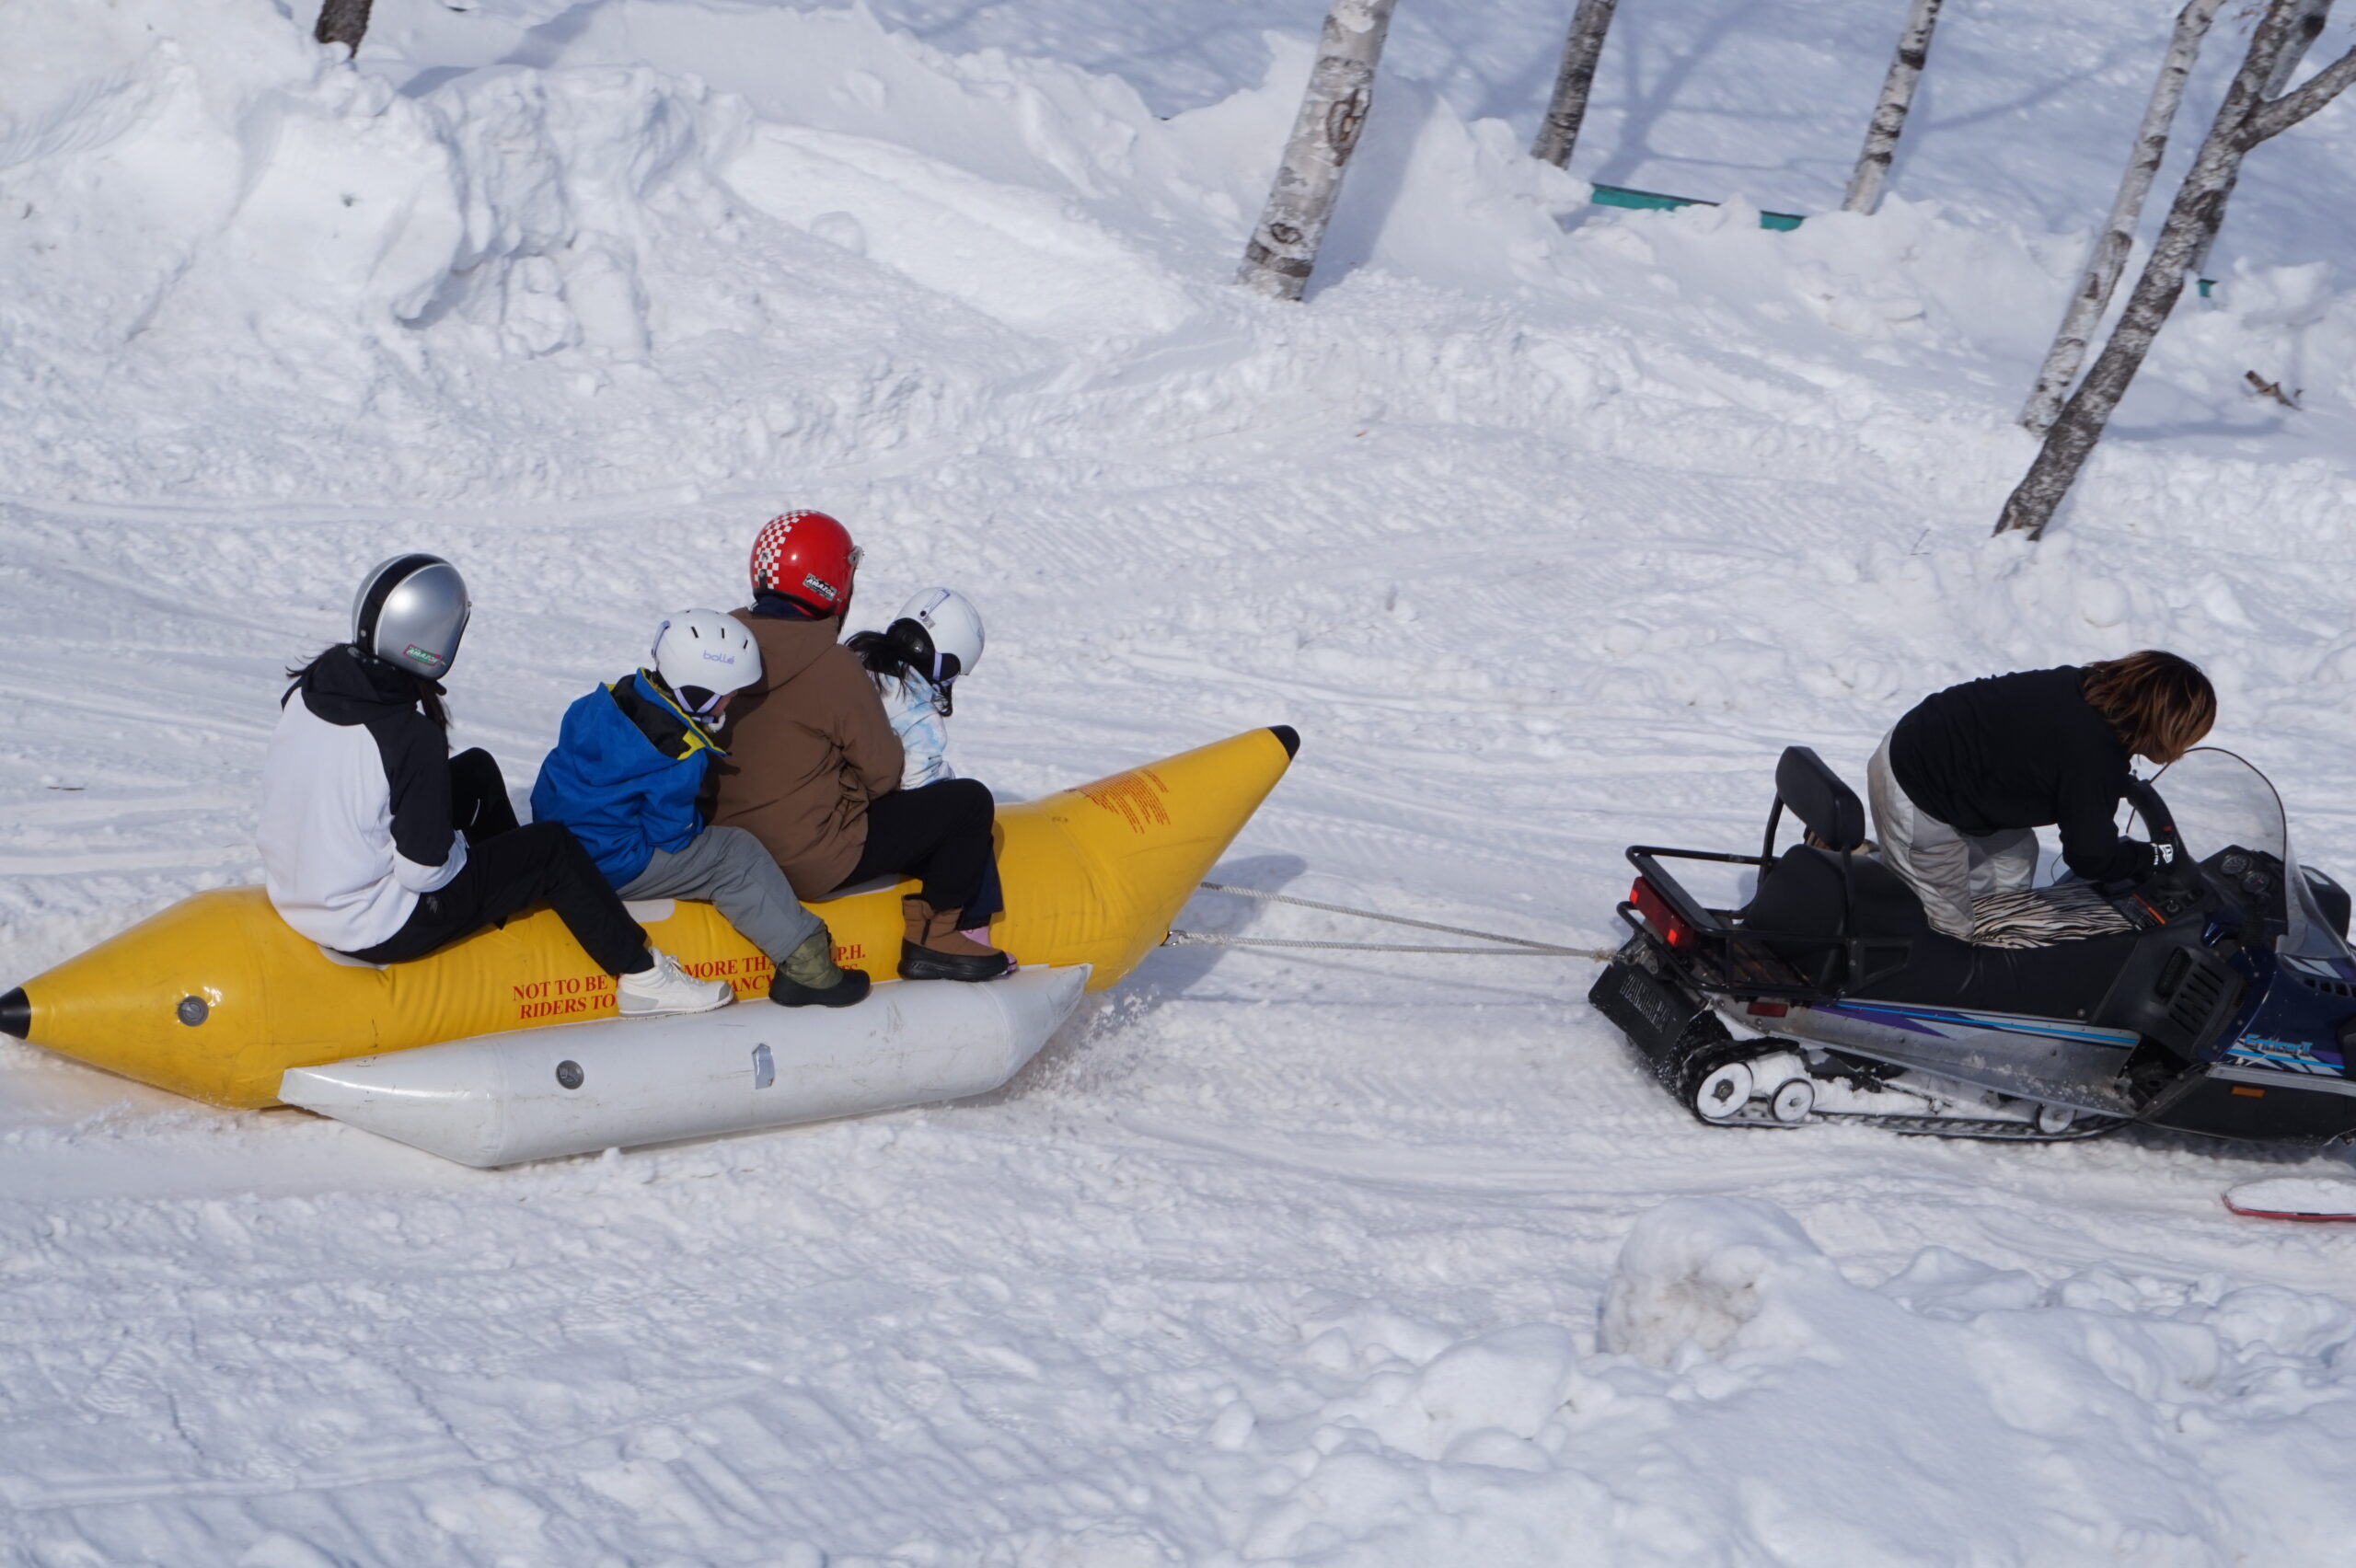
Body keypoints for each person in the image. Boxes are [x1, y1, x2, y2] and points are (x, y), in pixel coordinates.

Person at [256, 554, 733, 1017]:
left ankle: (525, 899)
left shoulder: (314, 687)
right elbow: (423, 873)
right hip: (375, 923)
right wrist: (461, 848)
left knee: (478, 770)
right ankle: (645, 979)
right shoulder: (409, 736)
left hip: (304, 893)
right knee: (552, 847)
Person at [708, 511, 1012, 983]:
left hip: (727, 849)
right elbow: (886, 773)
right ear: (834, 582)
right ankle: (935, 938)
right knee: (969, 803)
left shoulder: (721, 639)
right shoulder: (832, 665)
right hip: (808, 861)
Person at [529, 610, 870, 1008]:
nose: (735, 699)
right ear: (700, 692)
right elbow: (669, 835)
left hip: (564, 842)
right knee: (734, 856)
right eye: (730, 691)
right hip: (610, 862)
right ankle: (809, 967)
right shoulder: (679, 751)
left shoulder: (606, 700)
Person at [1865, 651, 2217, 940]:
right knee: (1945, 928)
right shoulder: (2094, 755)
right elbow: (2092, 859)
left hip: (1933, 742)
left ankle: (1998, 940)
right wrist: (2148, 856)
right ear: (2167, 727)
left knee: (2013, 859)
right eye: (2187, 735)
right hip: (1916, 788)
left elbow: (2054, 748)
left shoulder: (2084, 686)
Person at [847, 587, 987, 790]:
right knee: (973, 796)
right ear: (947, 663)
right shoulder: (919, 716)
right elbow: (923, 784)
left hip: (810, 790)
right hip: (861, 813)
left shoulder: (848, 662)